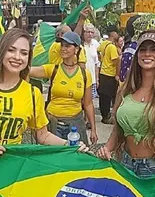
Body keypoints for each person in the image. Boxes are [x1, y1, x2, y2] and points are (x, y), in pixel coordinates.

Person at [0, 28, 88, 156]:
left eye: (24, 53)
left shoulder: (33, 94)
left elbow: (43, 135)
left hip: (13, 166)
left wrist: (69, 144)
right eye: (11, 50)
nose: (17, 57)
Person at [97, 30, 155, 178]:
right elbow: (117, 130)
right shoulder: (126, 90)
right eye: (143, 50)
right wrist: (107, 149)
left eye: (153, 50)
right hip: (126, 163)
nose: (147, 54)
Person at [30, 31, 98, 146]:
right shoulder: (53, 69)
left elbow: (88, 104)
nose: (63, 48)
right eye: (62, 45)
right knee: (53, 160)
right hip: (53, 124)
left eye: (67, 46)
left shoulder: (85, 75)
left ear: (76, 49)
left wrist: (93, 130)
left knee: (76, 159)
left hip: (76, 126)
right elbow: (27, 70)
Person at [97, 25, 119, 124]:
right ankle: (107, 117)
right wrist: (117, 74)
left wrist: (102, 60)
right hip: (110, 74)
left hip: (102, 73)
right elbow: (116, 61)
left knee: (103, 96)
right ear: (113, 34)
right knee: (109, 96)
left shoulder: (103, 44)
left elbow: (98, 52)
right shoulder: (112, 47)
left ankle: (104, 115)